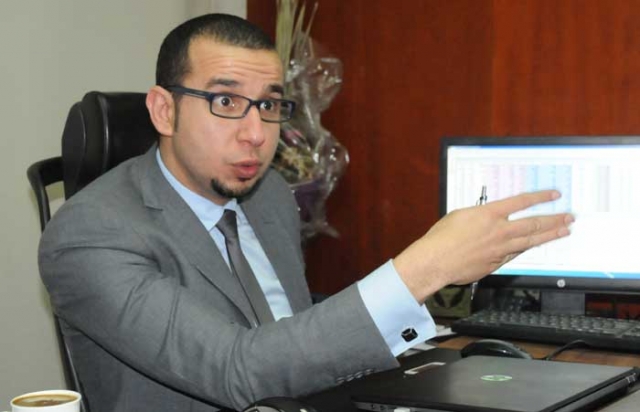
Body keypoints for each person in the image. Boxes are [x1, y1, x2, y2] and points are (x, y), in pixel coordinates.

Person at [38, 13, 573, 412]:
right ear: (163, 110)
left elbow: (288, 324)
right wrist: (424, 267)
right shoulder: (88, 234)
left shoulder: (268, 193)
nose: (256, 133)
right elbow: (237, 370)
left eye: (270, 104)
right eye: (226, 102)